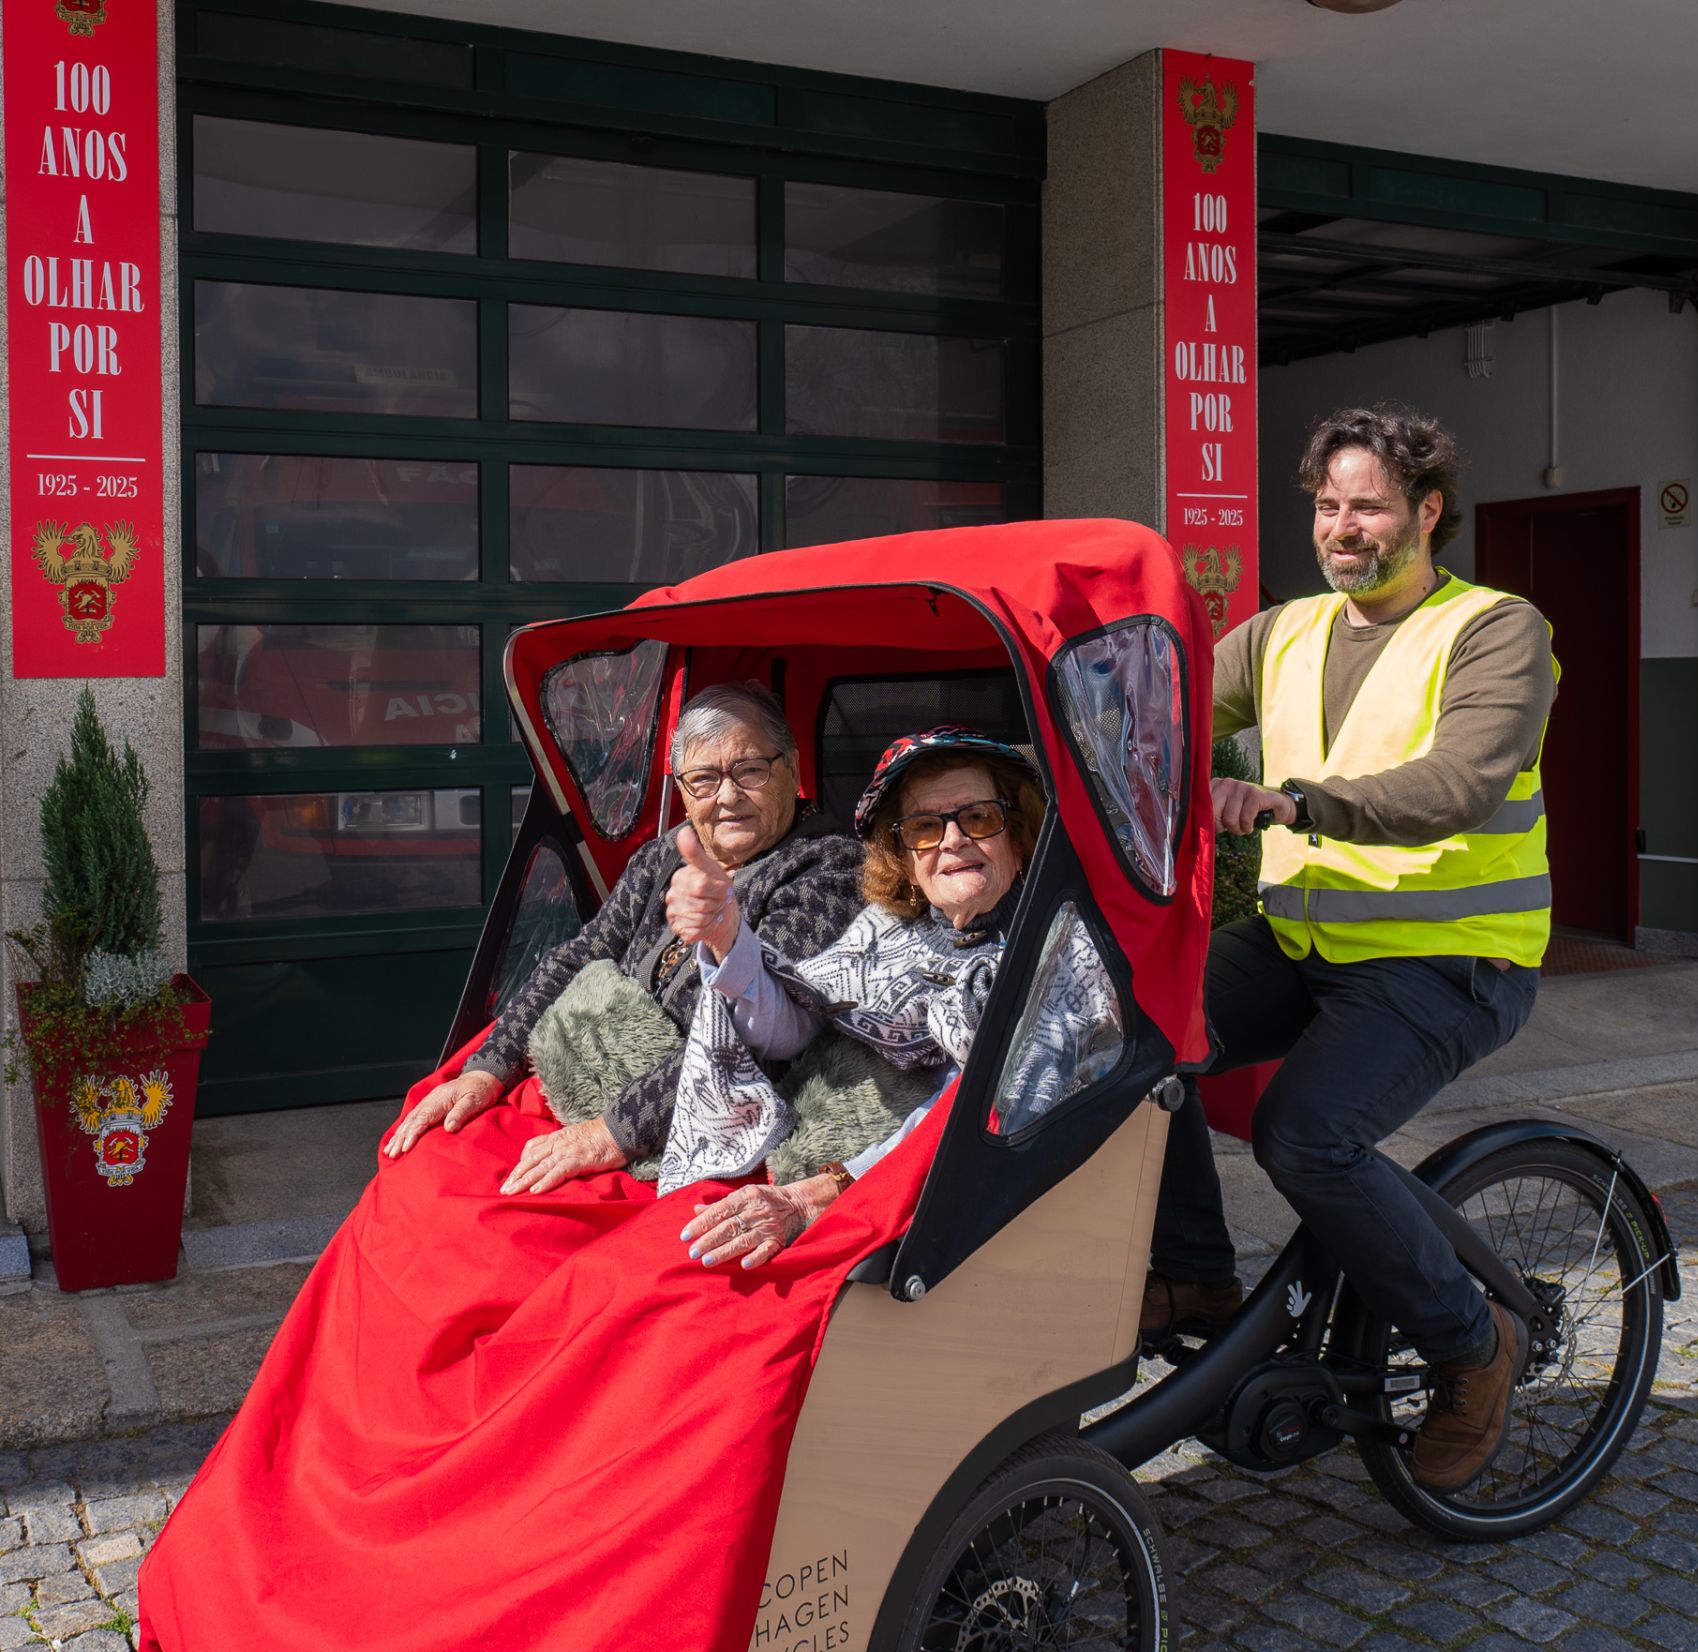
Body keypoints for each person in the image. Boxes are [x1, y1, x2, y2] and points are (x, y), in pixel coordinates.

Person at [1148, 402, 1557, 1495]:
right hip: (1303, 938)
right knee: (1137, 1042)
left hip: (1451, 959)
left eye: (1367, 505)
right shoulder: (1284, 631)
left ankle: (1475, 1345)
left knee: (1308, 1135)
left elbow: (1462, 779)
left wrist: (1294, 803)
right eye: (1328, 506)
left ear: (1427, 511)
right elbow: (1165, 700)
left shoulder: (1495, 629)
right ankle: (1194, 1281)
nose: (1342, 526)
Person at [660, 724, 1120, 1264]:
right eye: (925, 827)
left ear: (1016, 835)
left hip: (957, 1225)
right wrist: (728, 938)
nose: (952, 841)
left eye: (978, 818)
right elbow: (792, 1026)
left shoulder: (1062, 945)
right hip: (864, 1189)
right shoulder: (886, 930)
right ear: (902, 859)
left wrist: (820, 1192)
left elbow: (996, 1107)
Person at [383, 681, 860, 1192]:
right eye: (703, 779)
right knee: (430, 1160)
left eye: (749, 770)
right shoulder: (665, 855)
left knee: (493, 1221)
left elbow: (760, 1042)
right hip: (582, 1083)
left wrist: (611, 1133)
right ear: (681, 789)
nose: (727, 797)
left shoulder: (829, 870)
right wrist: (490, 1068)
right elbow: (581, 955)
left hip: (696, 1126)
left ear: (790, 768)